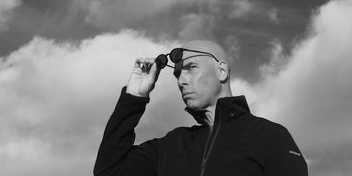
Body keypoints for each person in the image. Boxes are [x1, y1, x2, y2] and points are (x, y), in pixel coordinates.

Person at [94, 40, 308, 176]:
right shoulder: (170, 145)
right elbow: (109, 171)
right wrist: (134, 97)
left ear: (221, 71)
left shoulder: (270, 136)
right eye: (178, 74)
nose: (181, 81)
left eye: (191, 68)